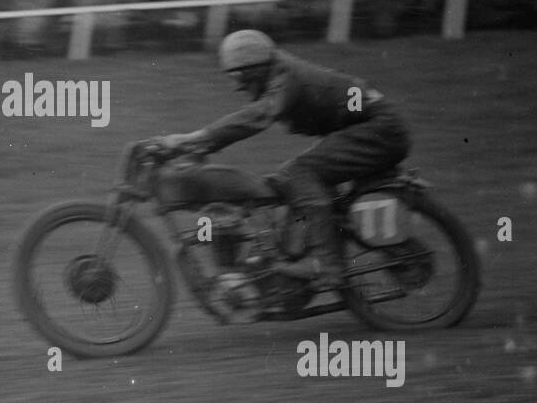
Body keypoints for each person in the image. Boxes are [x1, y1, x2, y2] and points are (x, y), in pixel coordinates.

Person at [156, 29, 411, 292]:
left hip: (379, 128)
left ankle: (328, 265)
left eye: (238, 75)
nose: (237, 85)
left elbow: (256, 117)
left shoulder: (286, 78)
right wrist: (197, 148)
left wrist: (197, 137)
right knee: (288, 179)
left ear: (254, 68)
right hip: (367, 127)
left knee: (300, 173)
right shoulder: (279, 71)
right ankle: (301, 250)